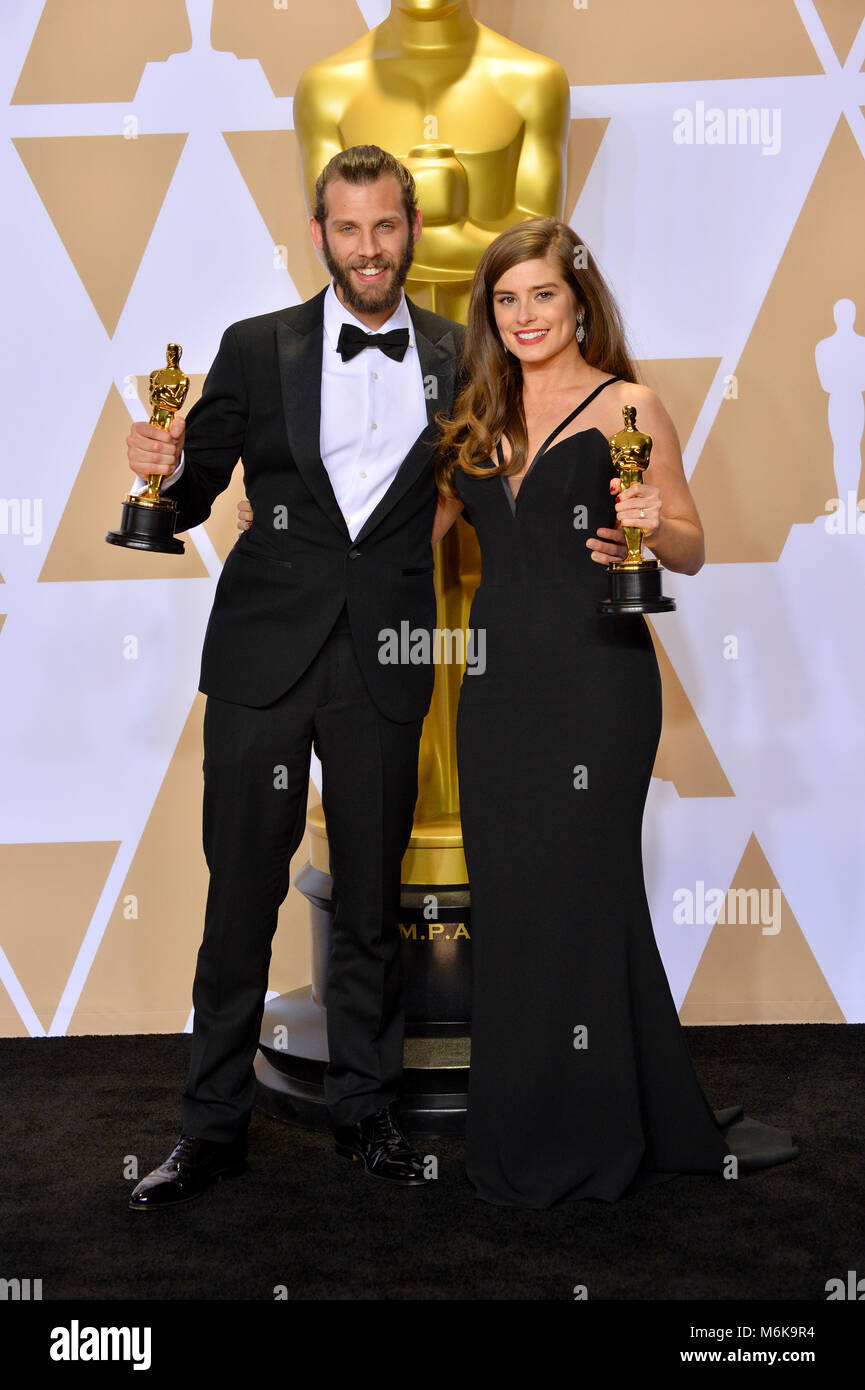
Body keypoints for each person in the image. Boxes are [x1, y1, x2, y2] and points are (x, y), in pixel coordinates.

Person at [429, 217, 799, 1205]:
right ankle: (528, 1126)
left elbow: (689, 544)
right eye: (504, 300)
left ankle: (591, 1134)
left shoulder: (628, 404)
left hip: (598, 684)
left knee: (584, 894)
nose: (523, 316)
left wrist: (650, 521)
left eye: (540, 295)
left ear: (578, 299)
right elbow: (398, 536)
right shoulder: (473, 418)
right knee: (512, 904)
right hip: (498, 691)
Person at [124, 146, 466, 1209]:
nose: (368, 248)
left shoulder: (458, 351)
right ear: (318, 235)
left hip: (384, 659)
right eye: (347, 228)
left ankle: (367, 1119)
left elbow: (485, 481)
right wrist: (162, 472)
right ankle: (211, 1129)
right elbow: (195, 487)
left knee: (369, 905)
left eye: (385, 226)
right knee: (240, 900)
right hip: (265, 653)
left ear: (409, 229)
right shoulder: (257, 345)